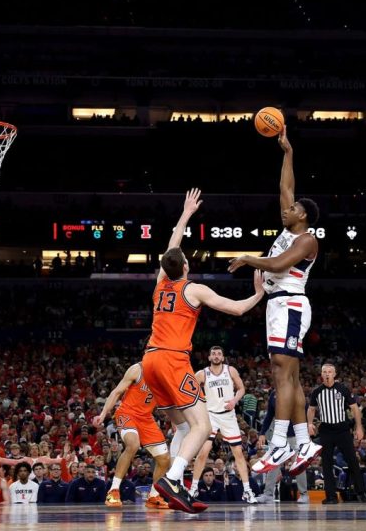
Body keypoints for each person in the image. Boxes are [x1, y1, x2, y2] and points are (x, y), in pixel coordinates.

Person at [145, 188, 267, 514]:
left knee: (184, 427)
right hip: (172, 360)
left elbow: (171, 246)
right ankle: (172, 480)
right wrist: (258, 294)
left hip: (149, 360)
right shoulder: (194, 289)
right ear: (185, 265)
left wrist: (185, 214)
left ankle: (170, 488)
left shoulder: (160, 283)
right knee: (202, 426)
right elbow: (237, 309)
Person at [227, 126, 323, 476]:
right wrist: (287, 152)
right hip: (278, 304)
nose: (287, 209)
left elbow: (280, 264)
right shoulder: (288, 229)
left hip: (291, 304)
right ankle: (304, 442)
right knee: (288, 377)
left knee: (283, 373)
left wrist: (249, 258)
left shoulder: (307, 240)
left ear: (304, 216)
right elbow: (285, 188)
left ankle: (280, 442)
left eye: (293, 208)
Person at [91, 362, 170, 509]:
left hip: (146, 418)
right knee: (133, 444)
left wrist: (177, 423)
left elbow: (170, 403)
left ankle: (153, 496)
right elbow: (116, 392)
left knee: (164, 459)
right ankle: (113, 490)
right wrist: (103, 414)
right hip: (127, 413)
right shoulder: (137, 369)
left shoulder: (166, 374)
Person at [189, 346, 257, 504]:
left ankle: (247, 490)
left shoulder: (230, 370)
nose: (216, 356)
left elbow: (241, 388)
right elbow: (190, 391)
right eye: (213, 354)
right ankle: (193, 488)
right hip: (211, 415)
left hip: (228, 415)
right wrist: (200, 404)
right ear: (209, 357)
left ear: (223, 357)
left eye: (219, 354)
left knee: (238, 454)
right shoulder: (202, 374)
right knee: (203, 453)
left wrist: (234, 400)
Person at [307, 363, 366, 504]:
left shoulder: (342, 389)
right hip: (326, 430)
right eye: (324, 372)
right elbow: (311, 409)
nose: (327, 374)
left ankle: (361, 493)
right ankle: (331, 496)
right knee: (326, 464)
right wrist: (309, 424)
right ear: (321, 374)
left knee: (352, 461)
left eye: (330, 371)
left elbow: (355, 408)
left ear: (334, 374)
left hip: (342, 429)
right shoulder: (317, 391)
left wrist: (359, 427)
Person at [255, 389, 308, 504]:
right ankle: (268, 494)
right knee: (272, 465)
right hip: (279, 436)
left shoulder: (296, 391)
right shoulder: (274, 394)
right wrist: (262, 433)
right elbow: (269, 415)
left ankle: (304, 494)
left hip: (295, 435)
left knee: (298, 465)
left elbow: (305, 410)